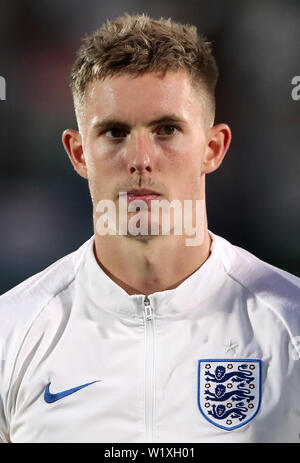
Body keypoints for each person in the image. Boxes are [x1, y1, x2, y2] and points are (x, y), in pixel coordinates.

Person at [0, 13, 299, 444]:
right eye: (116, 132)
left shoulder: (290, 326)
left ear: (212, 148)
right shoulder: (13, 333)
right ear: (79, 153)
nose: (141, 158)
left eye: (166, 129)